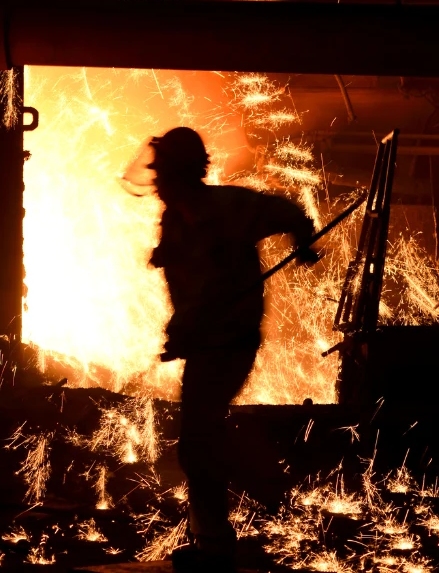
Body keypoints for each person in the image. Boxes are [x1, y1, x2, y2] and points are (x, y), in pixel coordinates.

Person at [142, 126, 316, 572]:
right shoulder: (177, 219)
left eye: (161, 170)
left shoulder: (230, 208)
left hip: (229, 343)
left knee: (199, 442)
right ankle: (210, 540)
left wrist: (302, 244)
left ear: (179, 172)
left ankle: (216, 545)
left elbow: (290, 212)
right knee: (197, 442)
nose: (154, 178)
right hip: (204, 343)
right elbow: (196, 287)